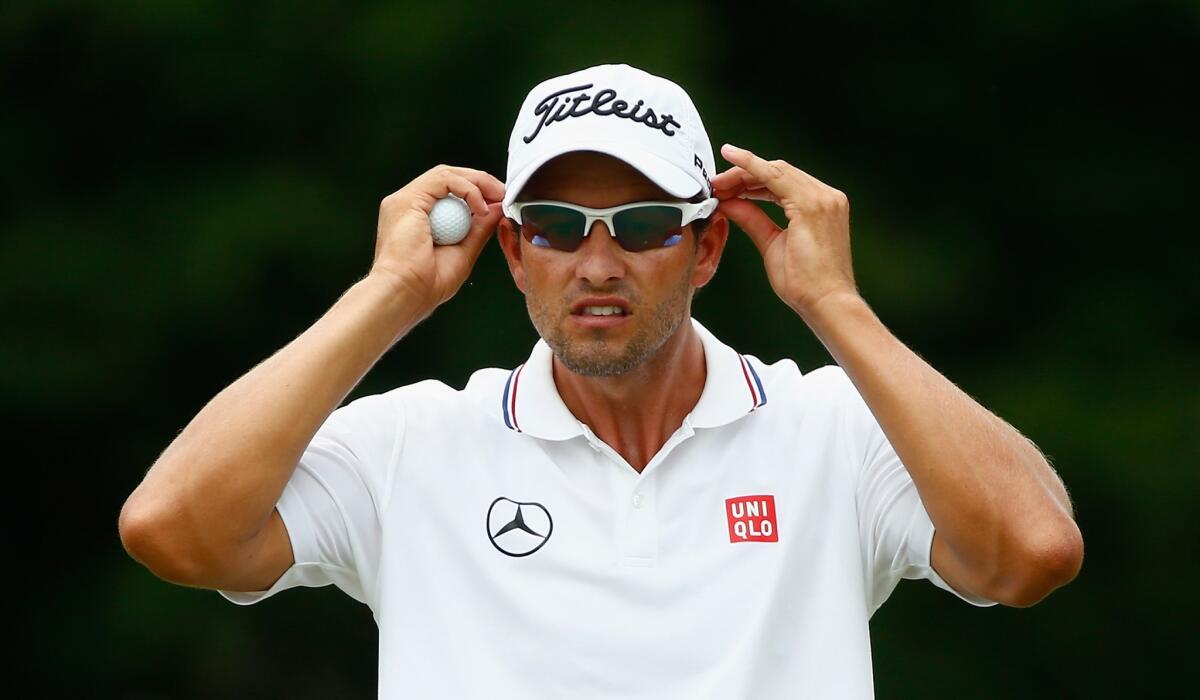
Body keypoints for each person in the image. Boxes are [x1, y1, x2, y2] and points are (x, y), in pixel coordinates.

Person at [118, 64, 1083, 698]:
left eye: (645, 224)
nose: (597, 260)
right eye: (554, 222)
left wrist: (836, 307)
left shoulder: (832, 425)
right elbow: (177, 532)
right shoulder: (415, 443)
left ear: (708, 247)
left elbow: (1029, 554)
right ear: (512, 250)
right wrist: (390, 294)